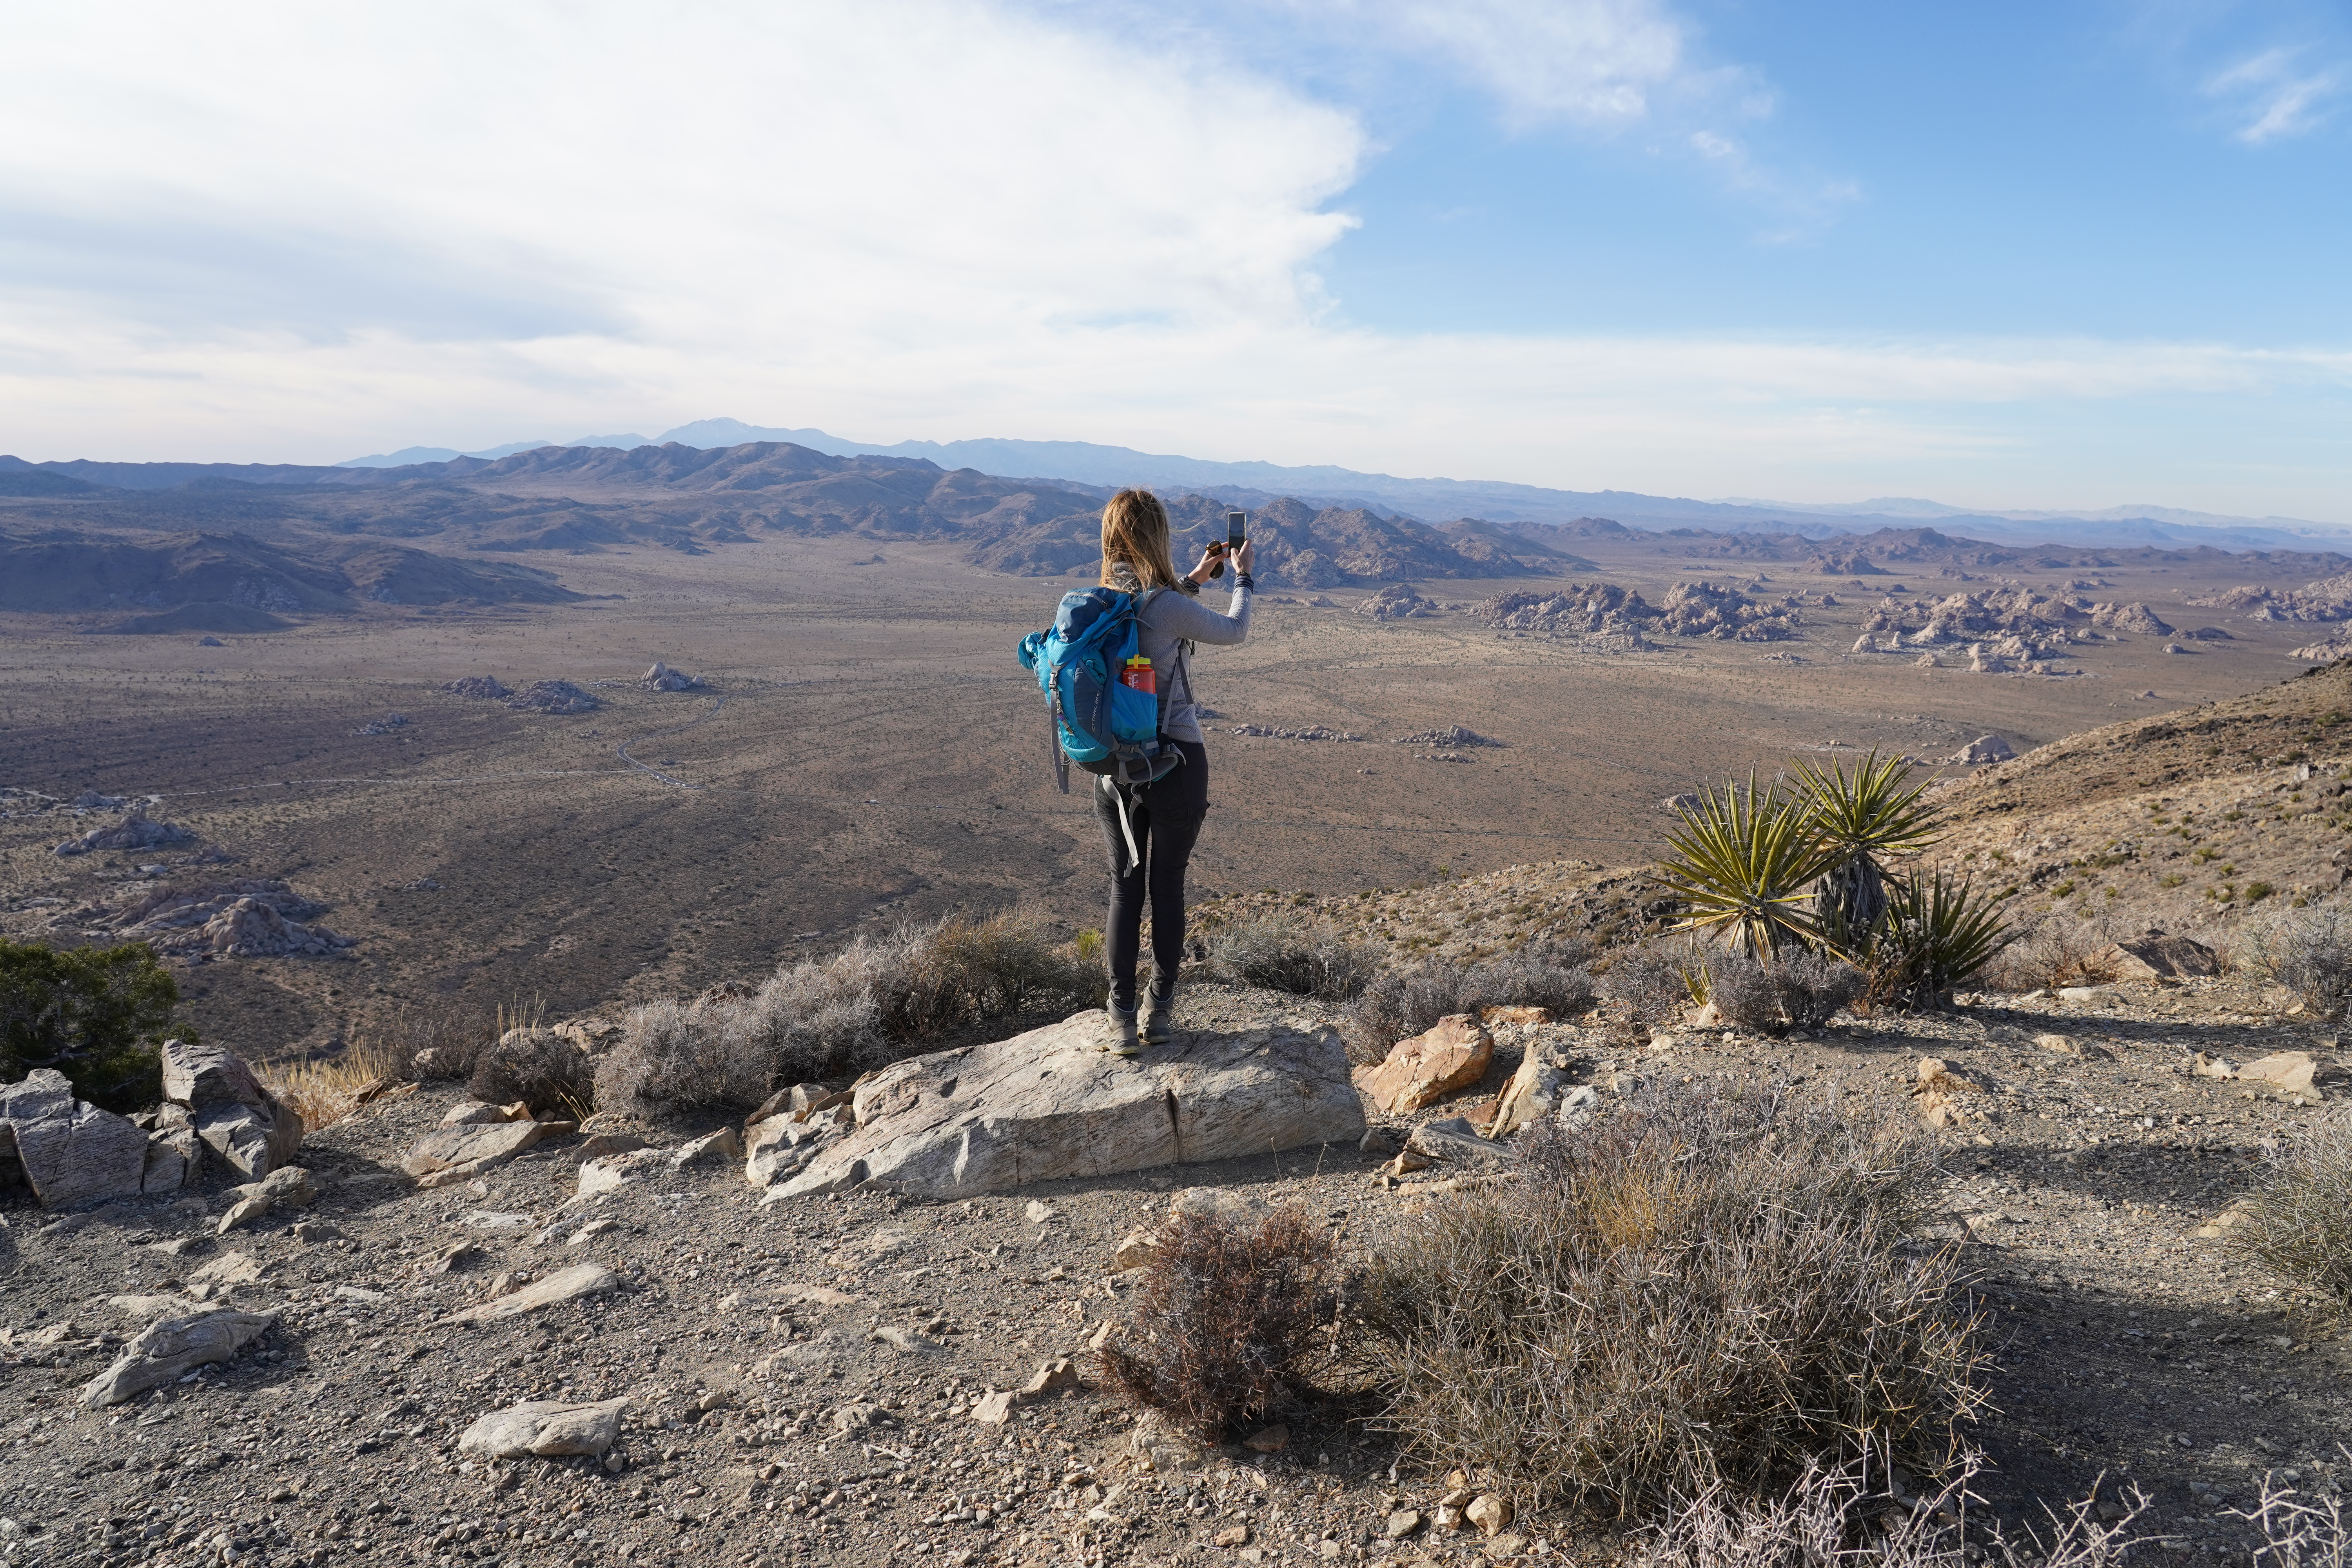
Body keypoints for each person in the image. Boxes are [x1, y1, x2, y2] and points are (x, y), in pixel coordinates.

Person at [1092, 488, 1253, 1054]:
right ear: (1156, 535)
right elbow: (1233, 631)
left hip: (1114, 771)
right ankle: (1160, 1014)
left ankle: (1119, 1019)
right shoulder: (1167, 606)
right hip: (1176, 761)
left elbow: (1152, 611)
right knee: (1168, 885)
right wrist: (1241, 579)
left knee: (1124, 890)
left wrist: (1196, 575)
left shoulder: (1099, 603)